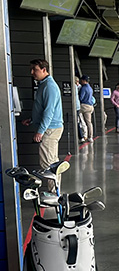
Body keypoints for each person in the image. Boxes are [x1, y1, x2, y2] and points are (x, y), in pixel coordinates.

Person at [22, 59, 63, 191]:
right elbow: (42, 109)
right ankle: (55, 191)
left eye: (35, 69)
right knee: (52, 162)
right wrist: (33, 120)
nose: (32, 72)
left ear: (44, 70)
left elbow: (49, 112)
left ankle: (54, 195)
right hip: (50, 127)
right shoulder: (44, 85)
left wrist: (40, 131)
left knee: (48, 164)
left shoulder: (49, 86)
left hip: (50, 130)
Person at [77, 75, 95, 142]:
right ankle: (90, 137)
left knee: (78, 119)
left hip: (84, 106)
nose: (81, 81)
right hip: (90, 106)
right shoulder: (90, 88)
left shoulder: (83, 88)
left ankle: (82, 135)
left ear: (84, 81)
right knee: (89, 122)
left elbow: (81, 98)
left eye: (81, 80)